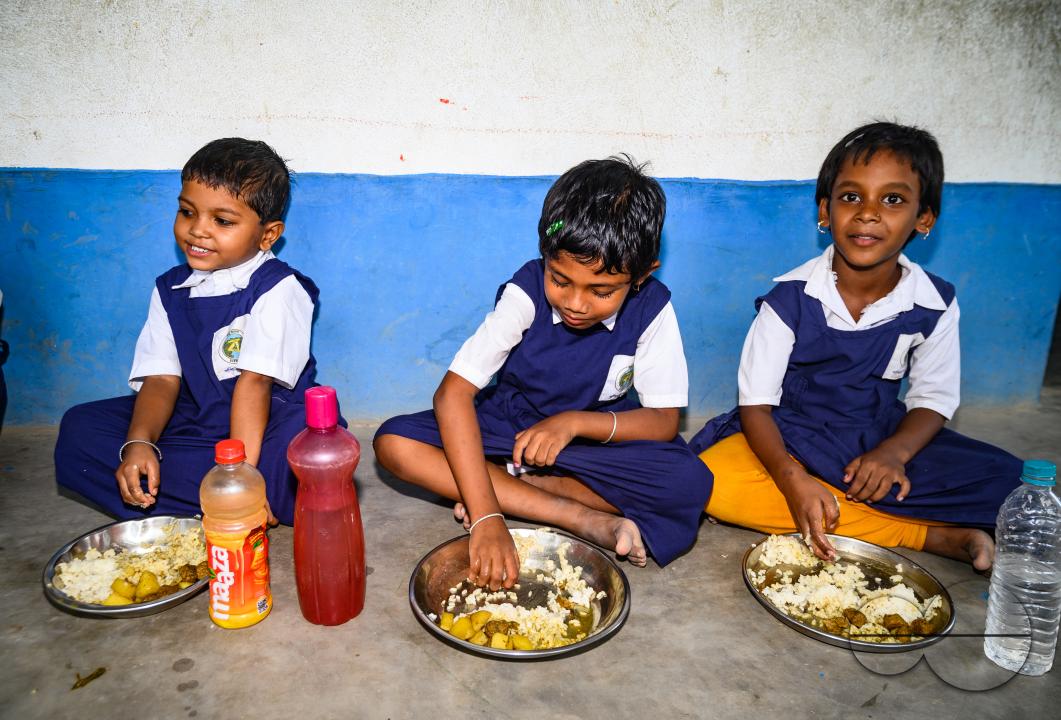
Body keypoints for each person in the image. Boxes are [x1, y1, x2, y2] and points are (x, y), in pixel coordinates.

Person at [690, 122, 1022, 570]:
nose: (868, 213)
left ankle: (840, 503)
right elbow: (756, 406)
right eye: (851, 197)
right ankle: (929, 535)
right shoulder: (789, 299)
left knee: (1016, 488)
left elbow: (933, 399)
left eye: (893, 199)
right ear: (825, 212)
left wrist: (893, 455)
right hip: (793, 438)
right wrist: (791, 481)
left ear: (924, 218)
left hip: (877, 438)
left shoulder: (933, 303)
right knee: (711, 482)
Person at [374, 156, 711, 588]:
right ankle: (575, 516)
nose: (575, 302)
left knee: (689, 483)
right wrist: (487, 518)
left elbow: (664, 422)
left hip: (591, 440)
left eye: (601, 291)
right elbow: (451, 396)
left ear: (642, 275)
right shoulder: (525, 292)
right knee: (395, 444)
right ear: (545, 256)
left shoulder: (654, 308)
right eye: (561, 279)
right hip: (508, 426)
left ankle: (522, 486)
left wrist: (572, 423)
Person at [55, 138, 328, 525]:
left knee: (302, 453)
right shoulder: (170, 289)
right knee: (81, 430)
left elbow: (254, 386)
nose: (198, 231)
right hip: (197, 418)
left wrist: (241, 479)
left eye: (222, 221)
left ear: (268, 235)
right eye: (187, 212)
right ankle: (229, 502)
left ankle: (240, 497)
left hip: (266, 425)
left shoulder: (279, 288)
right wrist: (139, 444)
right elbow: (162, 380)